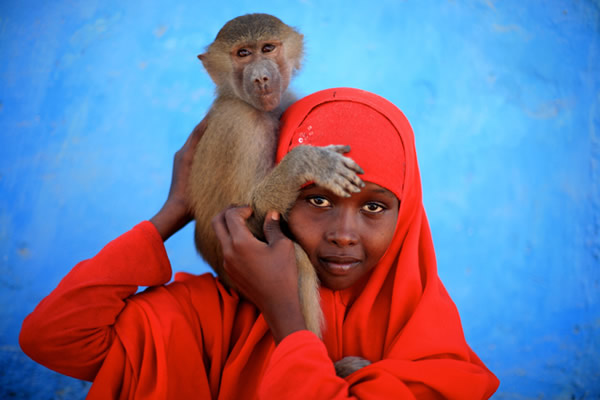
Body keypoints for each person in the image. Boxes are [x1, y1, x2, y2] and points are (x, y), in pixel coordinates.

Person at [20, 88, 499, 399]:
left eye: (375, 207)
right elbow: (53, 338)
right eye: (316, 199)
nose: (343, 233)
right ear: (280, 197)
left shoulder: (427, 343)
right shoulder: (211, 316)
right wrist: (177, 210)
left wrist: (288, 323)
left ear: (408, 216)